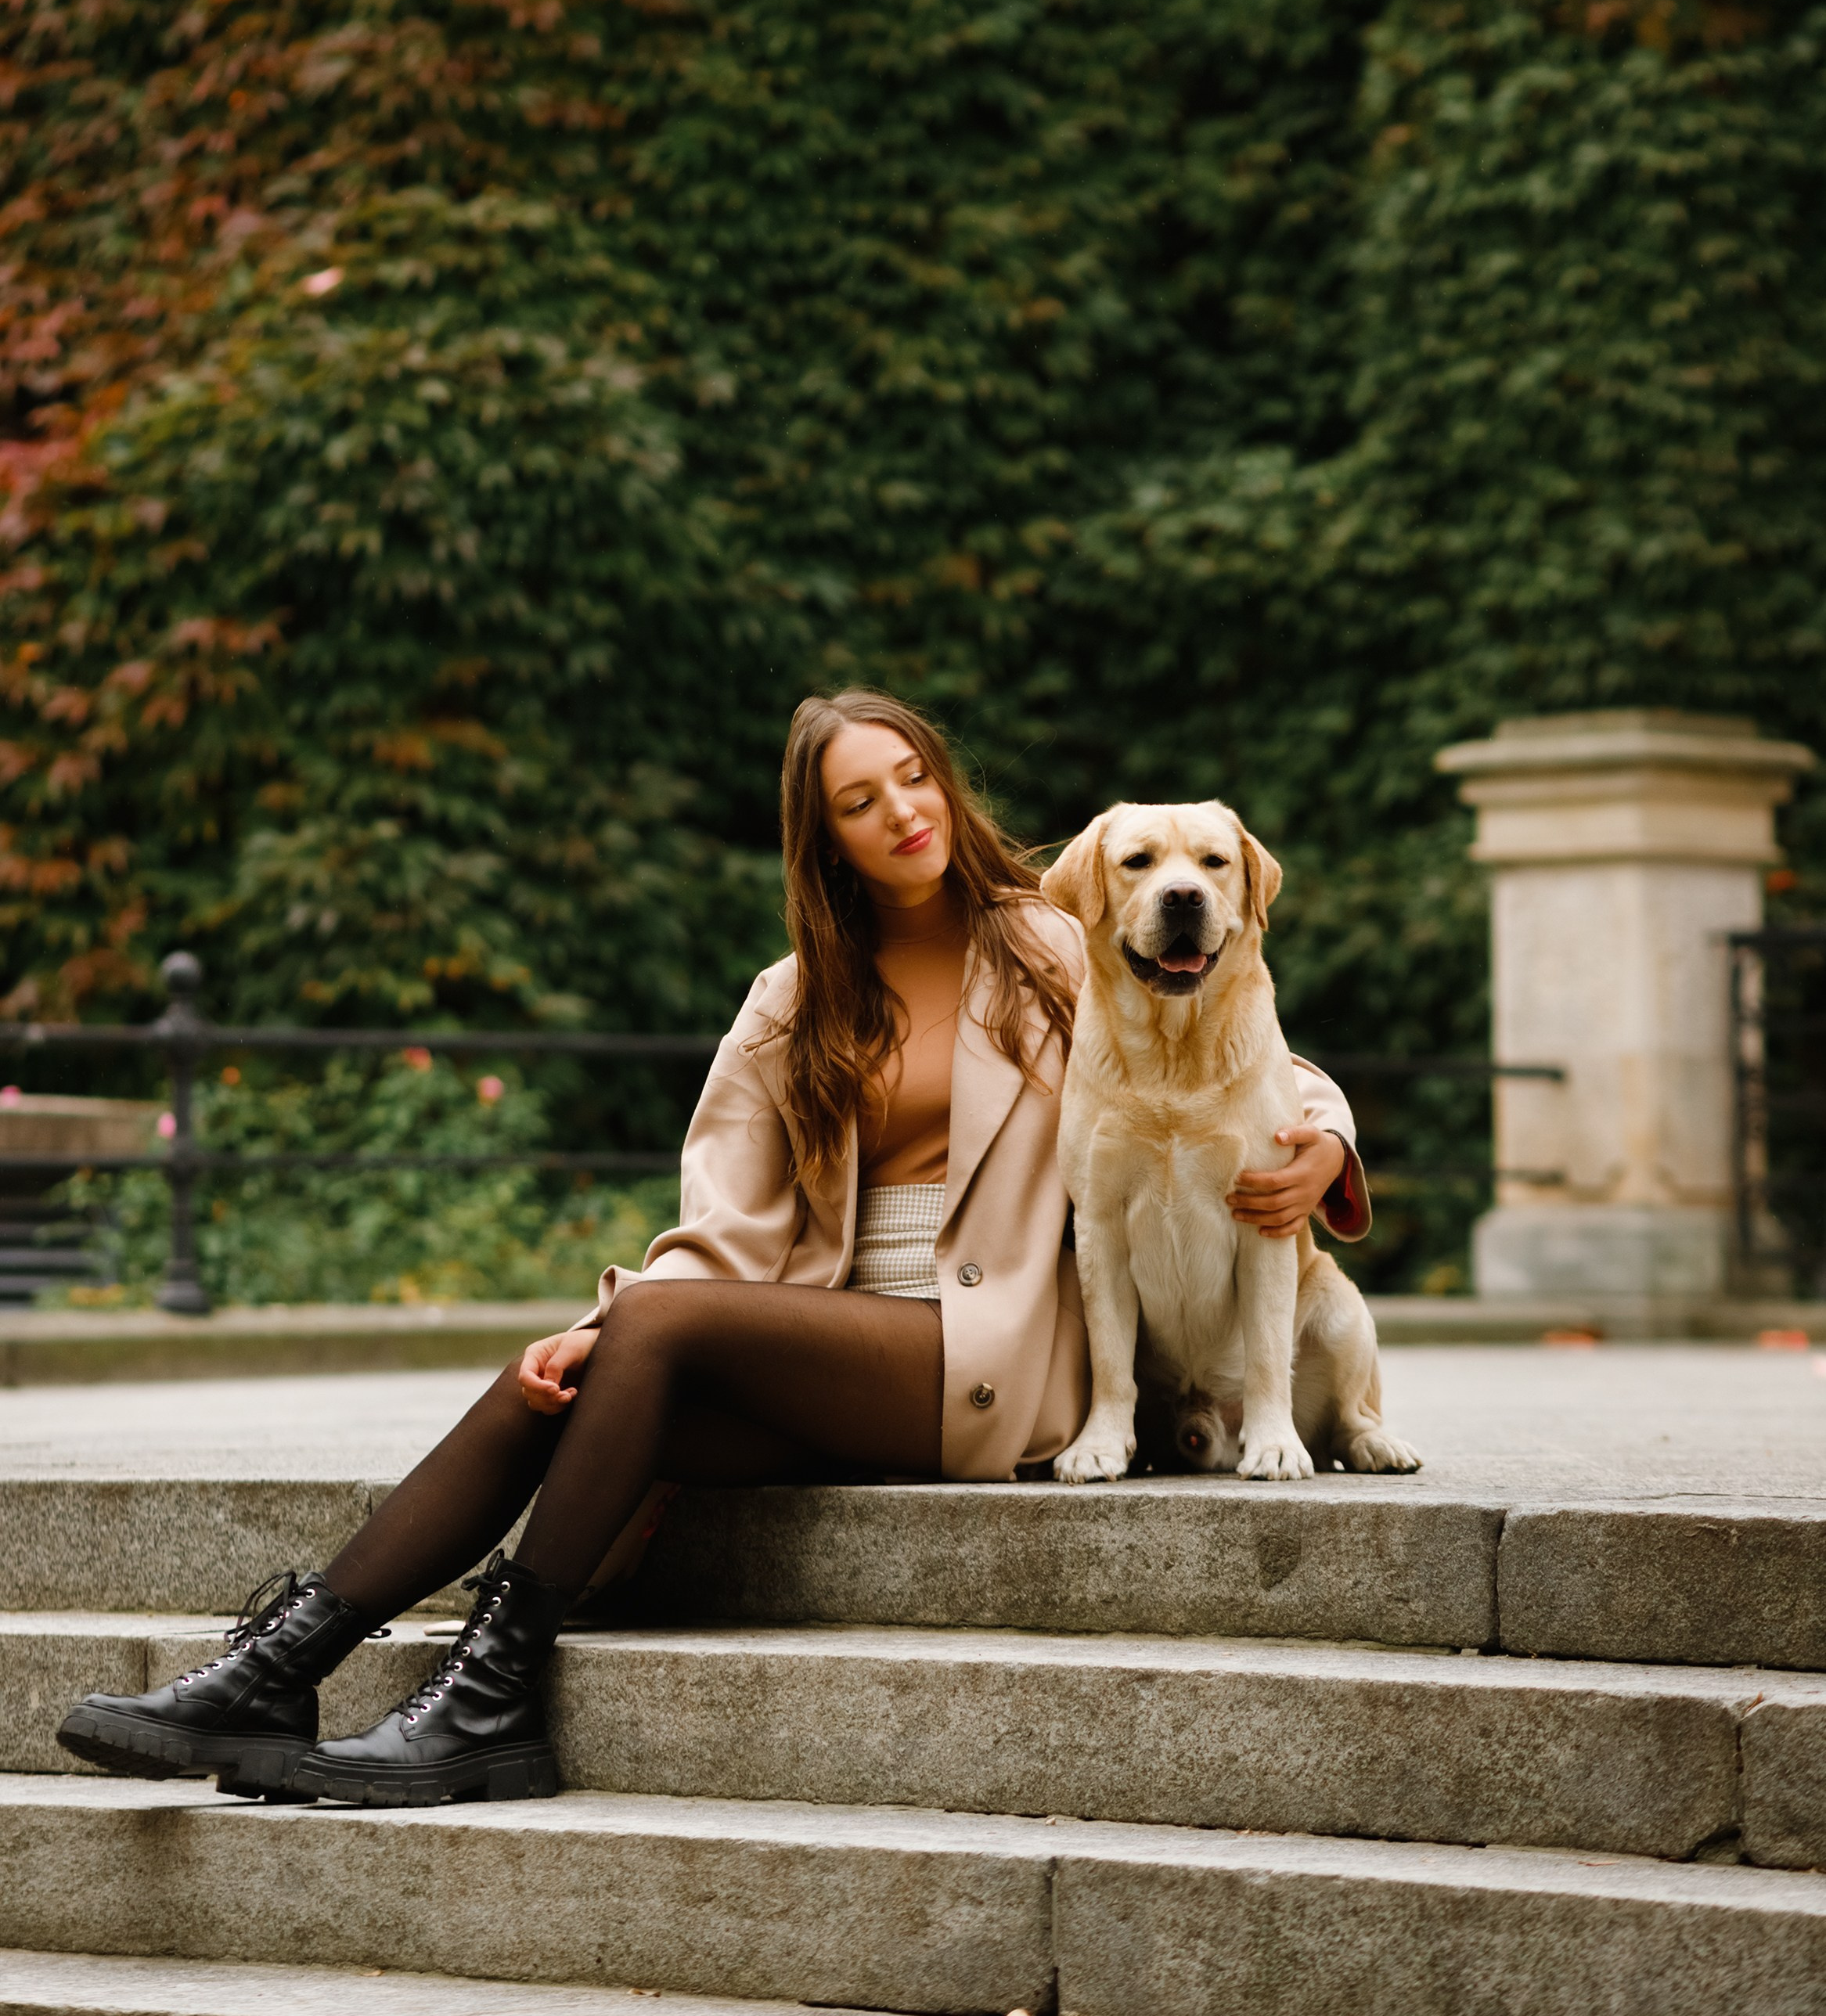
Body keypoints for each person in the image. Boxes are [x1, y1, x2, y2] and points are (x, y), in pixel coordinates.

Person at [56, 689, 1370, 1808]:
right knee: (572, 1384)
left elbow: (1242, 1053)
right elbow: (720, 1217)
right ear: (826, 837)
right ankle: (280, 1670)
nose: (902, 812)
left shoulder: (1059, 939)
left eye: (913, 777)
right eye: (861, 801)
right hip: (825, 1340)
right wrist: (611, 1318)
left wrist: (1323, 1132)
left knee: (658, 1329)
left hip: (996, 1347)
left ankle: (483, 1694)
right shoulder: (790, 1000)